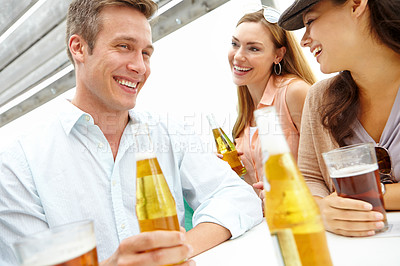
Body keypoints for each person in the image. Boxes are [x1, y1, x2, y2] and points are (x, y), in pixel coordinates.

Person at [0, 0, 263, 265]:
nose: (140, 66)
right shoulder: (18, 164)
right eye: (124, 47)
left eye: (146, 53)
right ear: (79, 48)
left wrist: (174, 252)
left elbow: (237, 197)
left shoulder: (168, 132)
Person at [278, 0, 400, 236]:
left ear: (356, 4)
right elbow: (309, 179)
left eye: (310, 22)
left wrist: (373, 194)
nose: (303, 41)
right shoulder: (320, 98)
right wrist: (322, 208)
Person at [228, 6, 316, 195]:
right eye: (235, 44)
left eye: (253, 48)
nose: (238, 56)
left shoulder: (294, 92)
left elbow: (325, 166)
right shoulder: (243, 107)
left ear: (278, 55)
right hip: (267, 220)